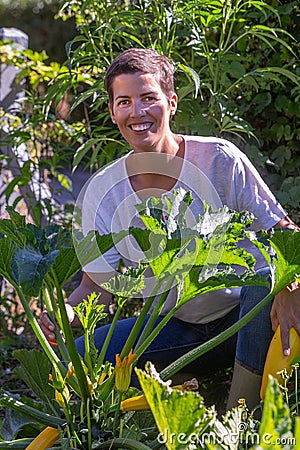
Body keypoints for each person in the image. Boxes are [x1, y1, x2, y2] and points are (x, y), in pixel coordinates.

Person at [40, 48, 300, 410]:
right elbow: (94, 288)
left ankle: (239, 417)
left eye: (149, 98)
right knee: (75, 363)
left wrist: (291, 285)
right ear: (114, 111)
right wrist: (67, 316)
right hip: (177, 329)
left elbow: (285, 232)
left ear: (172, 102)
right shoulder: (103, 191)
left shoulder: (219, 160)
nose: (137, 112)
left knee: (265, 281)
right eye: (124, 101)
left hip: (248, 321)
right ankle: (178, 388)